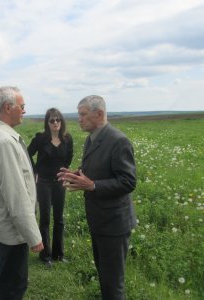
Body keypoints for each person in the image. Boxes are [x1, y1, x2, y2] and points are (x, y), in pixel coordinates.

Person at [57, 95, 136, 300]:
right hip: (100, 220)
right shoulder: (91, 139)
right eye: (79, 115)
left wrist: (92, 185)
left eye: (83, 114)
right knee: (105, 276)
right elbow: (94, 170)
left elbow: (128, 182)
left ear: (99, 114)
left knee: (113, 283)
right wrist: (76, 174)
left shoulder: (118, 140)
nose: (79, 119)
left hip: (114, 224)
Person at [0, 86, 44, 300]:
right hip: (13, 229)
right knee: (13, 286)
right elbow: (16, 196)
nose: (24, 110)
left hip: (4, 224)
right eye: (22, 106)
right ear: (8, 108)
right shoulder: (4, 142)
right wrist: (33, 236)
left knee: (7, 281)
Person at [27, 108, 73, 268]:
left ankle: (59, 254)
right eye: (52, 120)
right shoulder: (41, 139)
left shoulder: (67, 139)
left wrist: (63, 172)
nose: (55, 123)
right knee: (45, 219)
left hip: (59, 182)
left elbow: (68, 158)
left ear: (62, 121)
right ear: (47, 122)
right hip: (44, 182)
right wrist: (35, 172)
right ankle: (45, 255)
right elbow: (27, 154)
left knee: (59, 219)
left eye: (58, 119)